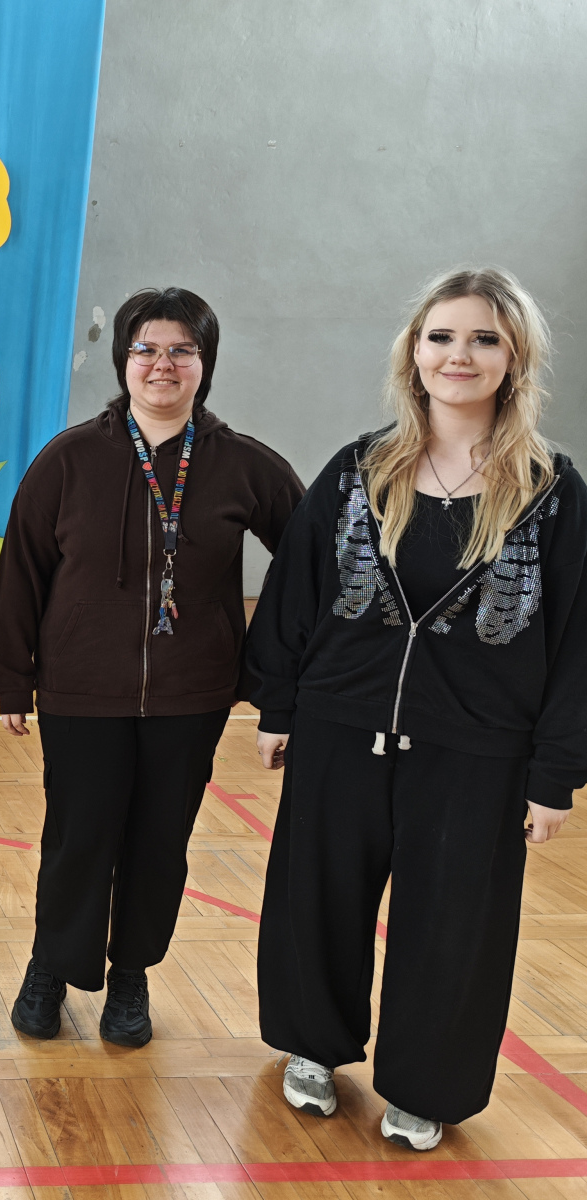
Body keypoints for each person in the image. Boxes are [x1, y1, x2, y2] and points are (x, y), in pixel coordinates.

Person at [248, 268, 587, 1151]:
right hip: (339, 725)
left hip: (478, 749)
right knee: (317, 897)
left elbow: (577, 642)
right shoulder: (359, 470)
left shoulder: (552, 491)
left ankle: (425, 1084)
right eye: (441, 336)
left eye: (483, 338)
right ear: (414, 352)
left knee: (453, 927)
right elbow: (293, 593)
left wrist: (555, 773)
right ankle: (312, 1045)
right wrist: (277, 706)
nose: (458, 355)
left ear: (514, 358)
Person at [0, 288, 303, 1045]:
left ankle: (131, 974)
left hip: (191, 695)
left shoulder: (245, 465)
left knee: (159, 845)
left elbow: (309, 571)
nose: (163, 364)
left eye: (181, 350)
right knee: (78, 838)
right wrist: (13, 676)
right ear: (123, 360)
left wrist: (268, 674)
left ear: (205, 363)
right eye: (146, 349)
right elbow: (21, 570)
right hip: (81, 690)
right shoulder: (69, 459)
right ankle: (51, 966)